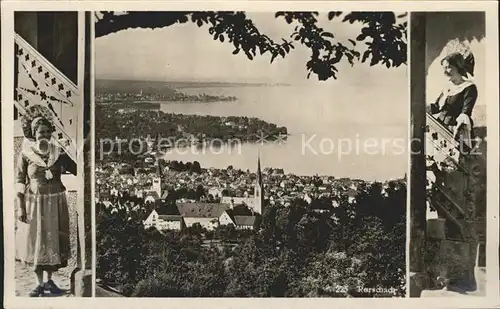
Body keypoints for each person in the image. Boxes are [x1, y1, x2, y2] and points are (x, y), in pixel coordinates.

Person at [15, 115, 76, 297]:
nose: (45, 135)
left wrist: (76, 149)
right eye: (42, 132)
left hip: (56, 203)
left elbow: (77, 168)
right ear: (34, 133)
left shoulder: (59, 153)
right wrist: (20, 207)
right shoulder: (26, 155)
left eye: (48, 132)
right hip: (34, 203)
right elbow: (19, 180)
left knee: (52, 240)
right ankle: (38, 284)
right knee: (35, 240)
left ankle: (49, 281)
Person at [427, 52, 478, 152]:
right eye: (444, 68)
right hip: (440, 127)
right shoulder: (447, 86)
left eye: (448, 67)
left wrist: (456, 133)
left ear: (458, 67)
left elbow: (465, 113)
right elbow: (437, 107)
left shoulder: (469, 88)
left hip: (455, 130)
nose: (445, 72)